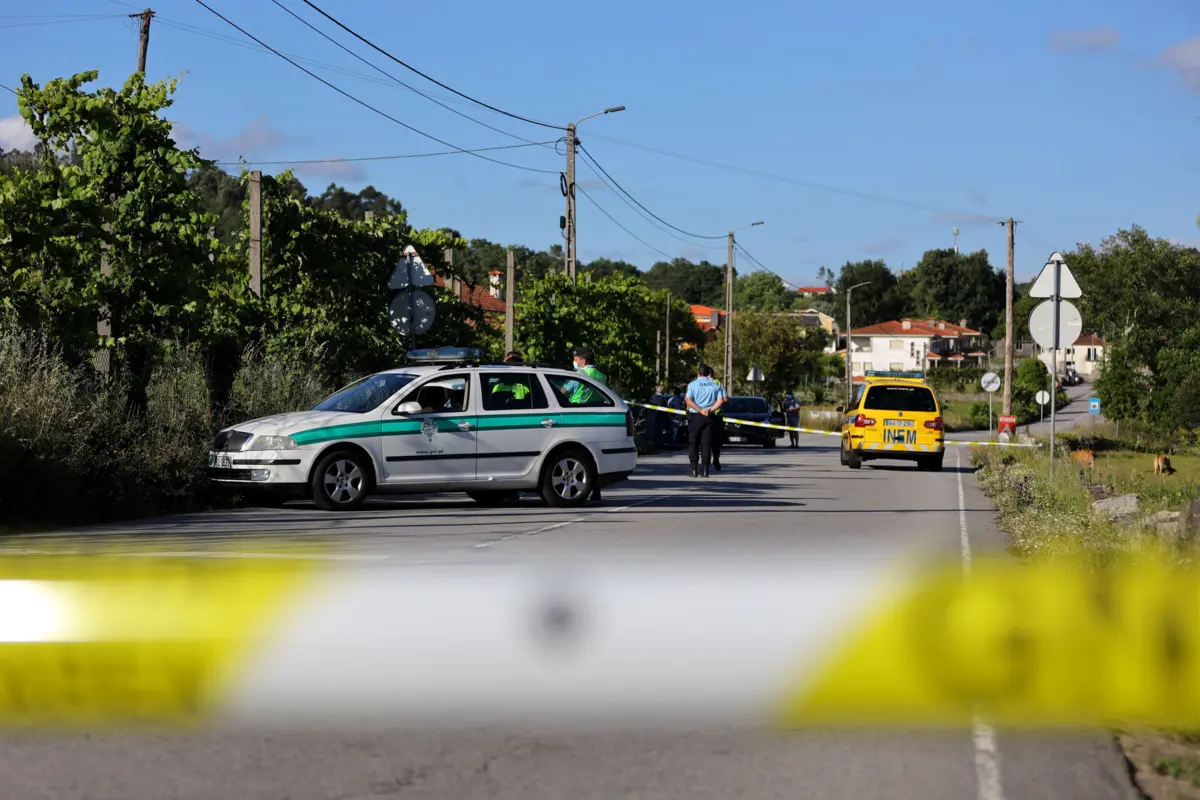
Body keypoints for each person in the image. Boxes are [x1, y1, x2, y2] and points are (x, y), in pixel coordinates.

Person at [562, 347, 608, 500]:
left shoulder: (580, 374)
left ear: (583, 360)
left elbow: (563, 391)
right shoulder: (601, 376)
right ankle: (596, 489)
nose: (574, 361)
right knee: (594, 454)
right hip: (597, 417)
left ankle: (576, 487)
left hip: (576, 415)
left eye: (575, 359)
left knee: (575, 454)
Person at [685, 364, 725, 478]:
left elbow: (688, 400)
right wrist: (710, 410)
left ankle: (694, 469)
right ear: (708, 373)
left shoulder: (692, 384)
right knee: (706, 444)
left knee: (693, 442)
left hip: (696, 416)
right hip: (709, 417)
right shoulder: (715, 385)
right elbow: (720, 401)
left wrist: (700, 410)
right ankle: (705, 470)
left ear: (698, 372)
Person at [709, 377, 728, 471]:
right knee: (717, 440)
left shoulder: (697, 383)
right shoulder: (718, 383)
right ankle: (716, 459)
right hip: (717, 416)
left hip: (703, 414)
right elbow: (725, 399)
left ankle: (705, 462)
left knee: (705, 439)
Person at [648, 384, 666, 448]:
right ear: (657, 387)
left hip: (659, 416)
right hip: (658, 416)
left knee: (658, 430)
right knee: (657, 430)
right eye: (660, 386)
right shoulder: (657, 397)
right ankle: (657, 444)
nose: (662, 388)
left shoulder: (660, 396)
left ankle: (658, 443)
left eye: (662, 386)